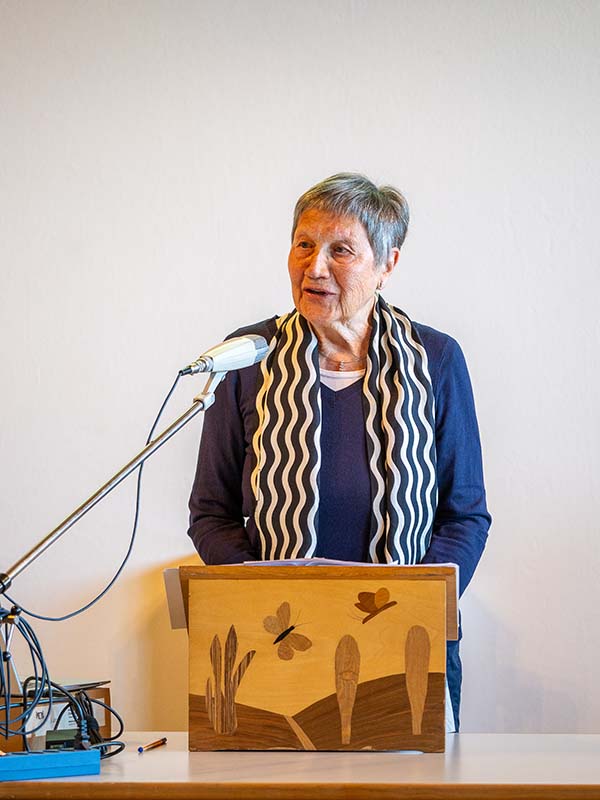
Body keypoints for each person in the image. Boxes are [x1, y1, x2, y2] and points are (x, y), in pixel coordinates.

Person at [187, 173, 491, 730]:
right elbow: (211, 512)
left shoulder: (437, 359)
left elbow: (464, 514)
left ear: (387, 264)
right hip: (275, 642)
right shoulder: (247, 358)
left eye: (341, 250)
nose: (315, 267)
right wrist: (265, 598)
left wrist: (413, 606)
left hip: (407, 644)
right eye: (304, 244)